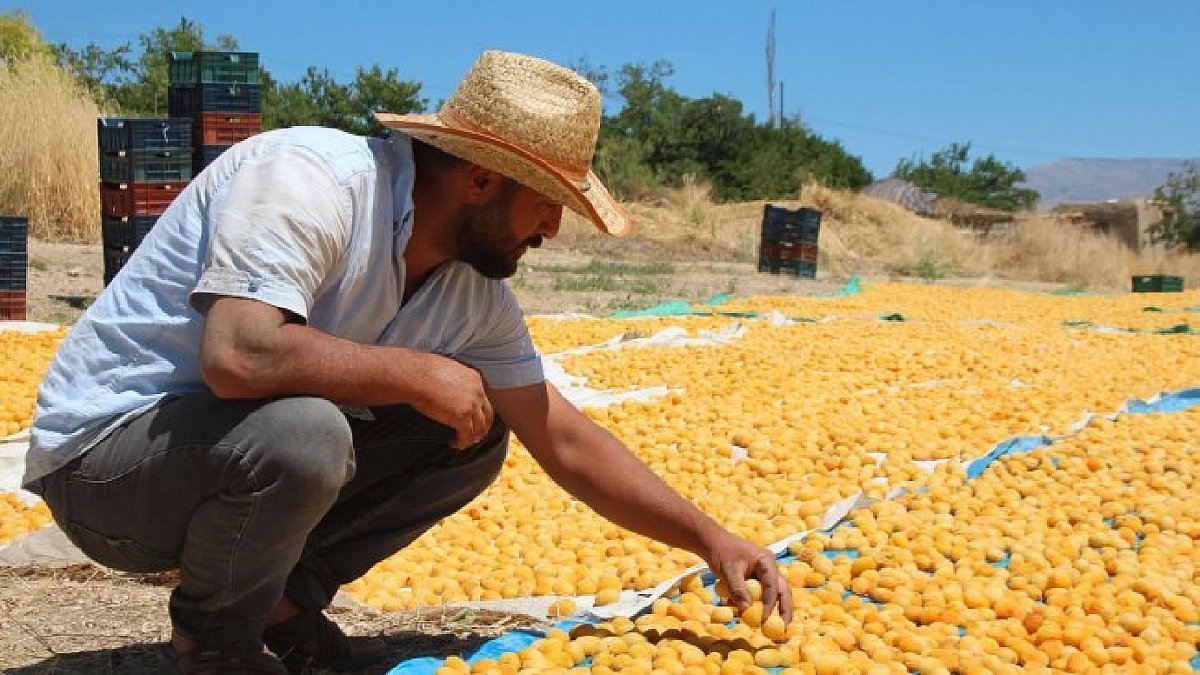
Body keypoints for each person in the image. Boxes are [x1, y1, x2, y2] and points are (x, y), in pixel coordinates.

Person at [27, 51, 793, 674]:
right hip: (108, 462)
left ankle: (283, 601)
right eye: (547, 202)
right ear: (483, 179)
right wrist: (416, 373)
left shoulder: (471, 292)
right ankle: (215, 643)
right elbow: (237, 354)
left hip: (217, 458)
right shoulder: (313, 181)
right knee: (311, 432)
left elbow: (563, 439)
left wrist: (711, 539)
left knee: (476, 431)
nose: (553, 228)